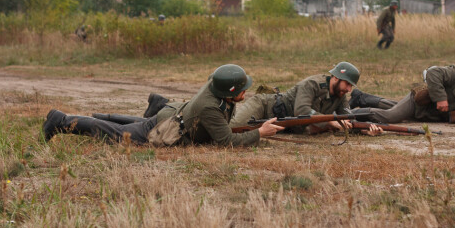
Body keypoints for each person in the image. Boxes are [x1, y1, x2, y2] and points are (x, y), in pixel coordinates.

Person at [42, 64, 284, 146]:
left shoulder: (215, 86)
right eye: (242, 90)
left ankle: (143, 108)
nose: (246, 92)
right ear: (229, 93)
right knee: (115, 134)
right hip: (167, 126)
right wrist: (259, 133)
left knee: (133, 123)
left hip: (172, 113)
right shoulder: (210, 106)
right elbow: (226, 142)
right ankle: (60, 121)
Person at [129, 62, 382, 135]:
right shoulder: (311, 85)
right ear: (335, 77)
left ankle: (161, 111)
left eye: (352, 86)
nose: (349, 90)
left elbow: (345, 117)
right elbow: (305, 113)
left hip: (279, 122)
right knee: (231, 127)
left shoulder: (341, 95)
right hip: (264, 107)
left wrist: (362, 128)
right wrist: (330, 121)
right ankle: (163, 107)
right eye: (347, 83)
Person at [350, 58, 455, 124]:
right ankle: (348, 115)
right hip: (422, 101)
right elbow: (433, 73)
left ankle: (361, 98)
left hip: (433, 114)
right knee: (392, 116)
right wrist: (441, 98)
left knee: (397, 108)